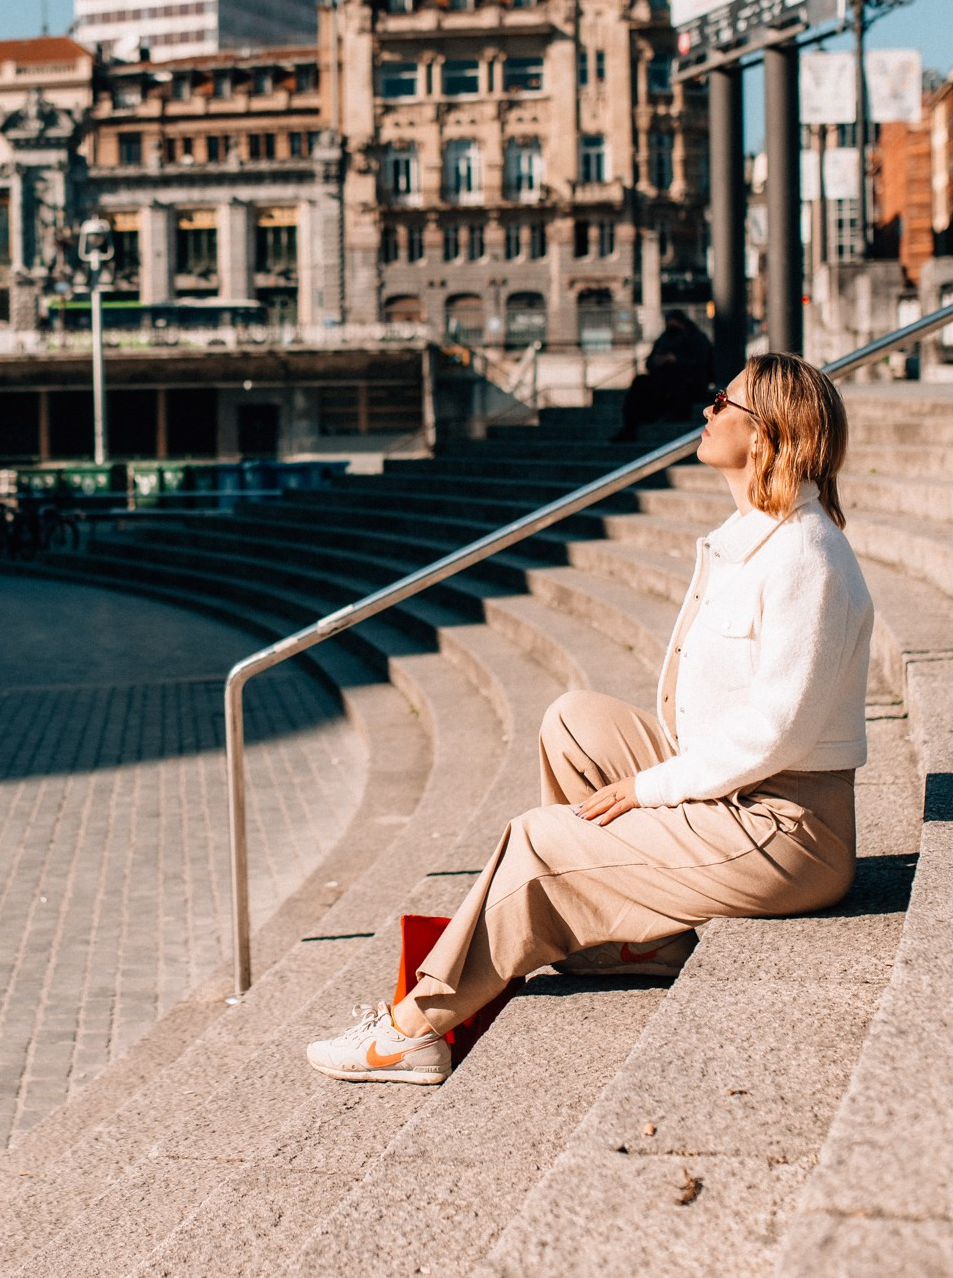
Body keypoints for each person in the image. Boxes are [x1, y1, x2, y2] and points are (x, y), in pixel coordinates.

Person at [307, 353, 872, 1084]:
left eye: (720, 402)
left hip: (785, 833)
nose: (705, 413)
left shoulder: (807, 555)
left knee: (539, 840)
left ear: (764, 432)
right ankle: (632, 940)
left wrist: (649, 790)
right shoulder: (754, 533)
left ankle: (415, 1028)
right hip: (744, 791)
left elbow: (780, 730)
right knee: (574, 721)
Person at [614, 309, 715, 440]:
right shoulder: (664, 338)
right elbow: (649, 363)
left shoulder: (696, 337)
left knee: (675, 384)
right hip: (661, 379)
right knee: (640, 383)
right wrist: (658, 361)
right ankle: (630, 426)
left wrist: (676, 360)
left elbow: (701, 363)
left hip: (688, 380)